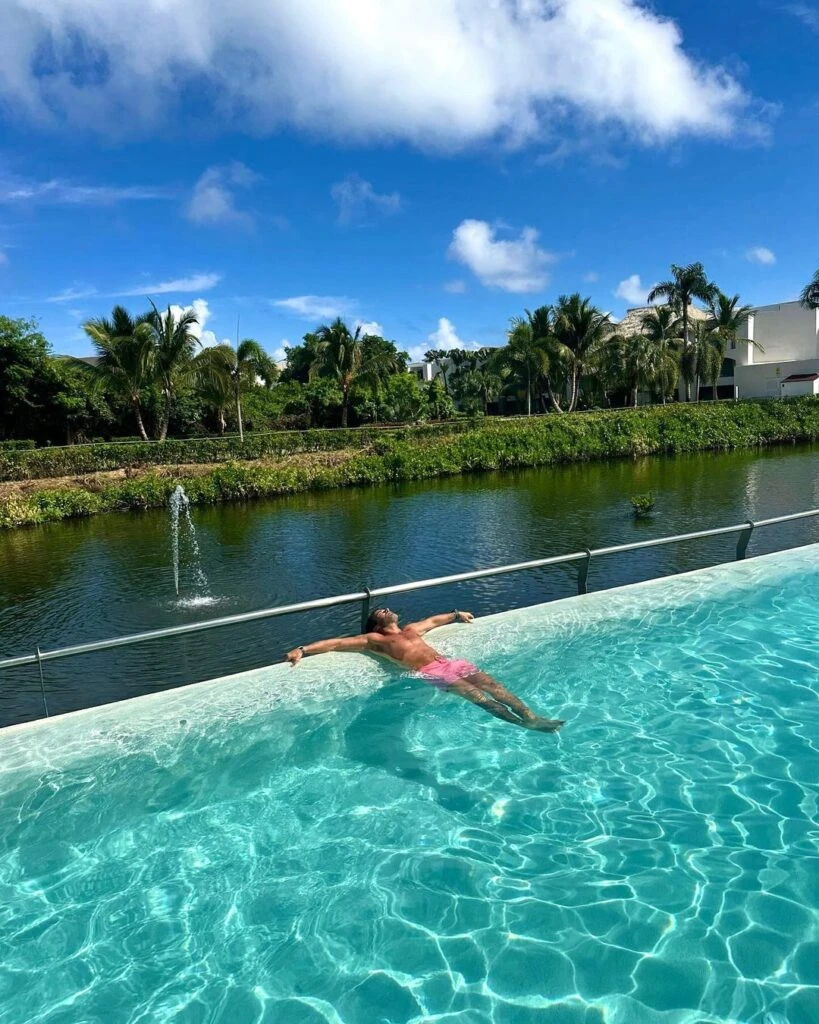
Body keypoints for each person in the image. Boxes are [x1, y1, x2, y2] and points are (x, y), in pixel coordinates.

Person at [287, 607, 564, 732]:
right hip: (433, 671)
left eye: (386, 608)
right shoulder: (375, 640)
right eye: (380, 612)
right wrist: (303, 650)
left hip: (449, 662)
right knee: (480, 698)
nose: (385, 609)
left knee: (495, 688)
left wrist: (456, 615)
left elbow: (433, 621)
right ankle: (521, 725)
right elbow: (335, 644)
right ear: (375, 625)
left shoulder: (410, 629)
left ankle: (531, 716)